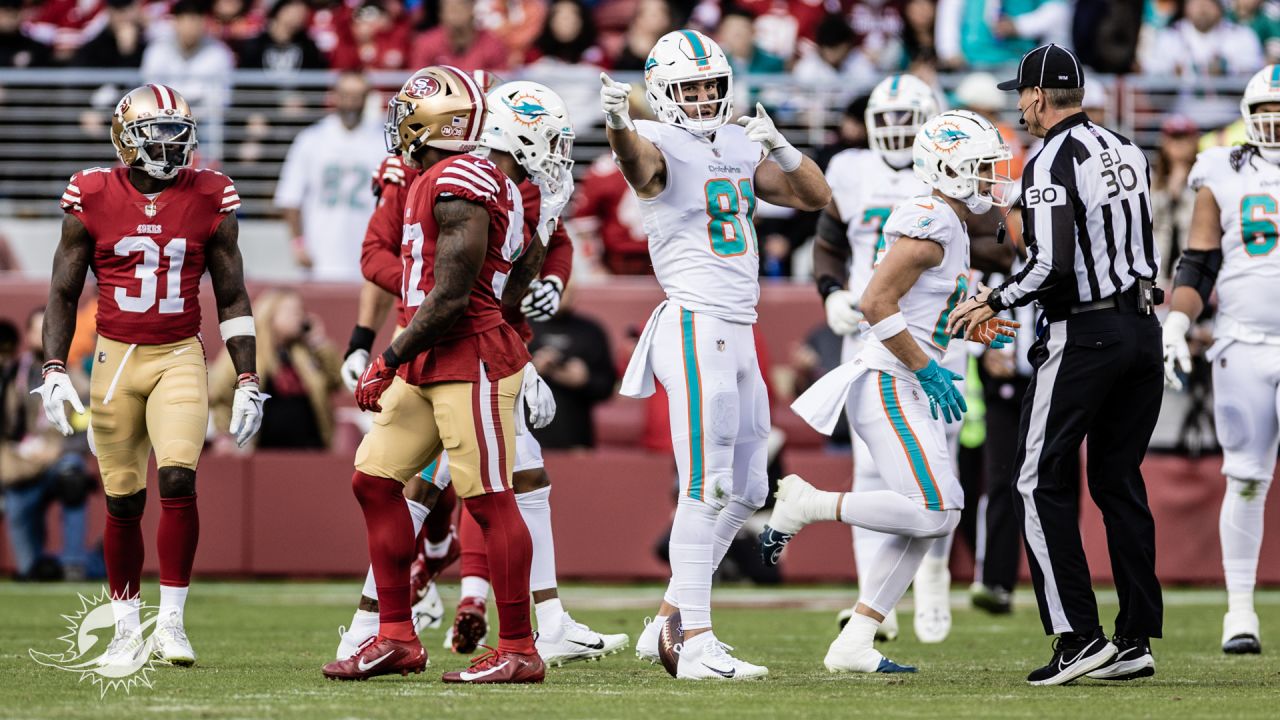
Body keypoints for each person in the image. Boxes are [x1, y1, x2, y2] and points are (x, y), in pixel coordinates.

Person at [320, 67, 570, 684]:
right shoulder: (448, 176)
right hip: (438, 354)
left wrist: (389, 357)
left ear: (438, 121)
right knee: (373, 482)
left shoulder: (461, 178)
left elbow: (454, 296)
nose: (398, 118)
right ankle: (397, 636)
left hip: (469, 356)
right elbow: (509, 277)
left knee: (489, 500)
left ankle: (518, 646)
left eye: (410, 109)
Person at [605, 28, 831, 680]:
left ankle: (667, 619)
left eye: (710, 86)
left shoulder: (734, 138)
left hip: (739, 326)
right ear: (663, 95)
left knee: (752, 485)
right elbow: (638, 165)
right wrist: (620, 123)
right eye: (689, 89)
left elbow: (814, 198)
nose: (703, 98)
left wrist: (783, 147)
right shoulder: (655, 143)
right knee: (709, 485)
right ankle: (695, 640)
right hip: (696, 322)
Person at [764, 110, 1016, 675]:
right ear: (947, 169)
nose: (987, 179)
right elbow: (876, 303)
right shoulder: (933, 221)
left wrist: (964, 322)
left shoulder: (945, 220)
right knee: (937, 508)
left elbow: (922, 303)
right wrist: (926, 367)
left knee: (937, 515)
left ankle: (856, 638)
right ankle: (809, 504)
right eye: (977, 169)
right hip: (889, 382)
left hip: (901, 382)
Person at [947, 43, 1165, 686]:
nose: (1020, 104)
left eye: (1023, 93)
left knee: (1036, 479)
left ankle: (1078, 636)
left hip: (1087, 333)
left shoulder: (1048, 159)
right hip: (1142, 327)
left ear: (1040, 97)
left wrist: (993, 297)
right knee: (1120, 481)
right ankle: (1134, 638)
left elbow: (1052, 266)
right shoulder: (1125, 146)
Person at [35, 84, 263, 668]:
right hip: (114, 360)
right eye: (157, 132)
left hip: (179, 355)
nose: (171, 144)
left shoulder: (211, 193)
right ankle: (125, 630)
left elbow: (233, 295)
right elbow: (63, 292)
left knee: (180, 480)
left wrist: (246, 379)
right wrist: (55, 369)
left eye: (178, 131)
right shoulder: (91, 192)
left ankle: (172, 625)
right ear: (125, 138)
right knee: (122, 500)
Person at [816, 73, 964, 645]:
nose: (898, 132)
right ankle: (875, 599)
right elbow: (828, 240)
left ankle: (932, 577)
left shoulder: (947, 174)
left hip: (939, 339)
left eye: (909, 120)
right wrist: (830, 289)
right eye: (889, 120)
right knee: (873, 468)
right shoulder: (851, 170)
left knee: (939, 468)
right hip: (870, 333)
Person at [1161, 64, 1280, 656]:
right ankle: (1240, 610)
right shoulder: (1223, 171)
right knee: (1247, 477)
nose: (1275, 125)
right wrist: (1178, 320)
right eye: (1267, 114)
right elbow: (1199, 261)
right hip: (1244, 342)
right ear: (1247, 118)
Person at [1, 311, 92, 581]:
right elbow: (6, 427)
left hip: (61, 458)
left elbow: (88, 426)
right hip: (24, 463)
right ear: (27, 336)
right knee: (16, 498)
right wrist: (19, 451)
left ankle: (73, 564)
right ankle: (33, 566)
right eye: (37, 331)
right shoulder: (13, 376)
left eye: (48, 330)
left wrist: (59, 450)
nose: (43, 338)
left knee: (73, 476)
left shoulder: (75, 379)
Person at [274, 72, 384, 280]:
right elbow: (290, 198)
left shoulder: (381, 142)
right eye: (345, 95)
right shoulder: (312, 139)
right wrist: (298, 243)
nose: (351, 102)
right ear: (335, 96)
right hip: (320, 249)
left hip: (365, 250)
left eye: (357, 96)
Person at [209, 289, 343, 450]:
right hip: (262, 450)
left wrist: (319, 343)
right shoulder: (246, 352)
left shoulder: (306, 353)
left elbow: (337, 383)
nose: (299, 317)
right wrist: (223, 433)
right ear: (270, 315)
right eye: (291, 311)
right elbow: (220, 395)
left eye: (300, 311)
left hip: (310, 449)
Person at [140, 0, 235, 165]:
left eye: (196, 17)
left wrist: (189, 117)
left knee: (213, 125)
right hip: (165, 121)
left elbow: (221, 101)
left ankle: (208, 174)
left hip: (202, 122)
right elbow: (150, 96)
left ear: (204, 21)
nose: (190, 24)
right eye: (185, 17)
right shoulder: (157, 51)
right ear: (175, 21)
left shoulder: (219, 53)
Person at [528, 292, 617, 449]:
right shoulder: (521, 328)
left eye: (566, 291)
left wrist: (584, 380)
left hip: (575, 440)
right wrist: (530, 371)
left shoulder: (590, 331)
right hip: (527, 442)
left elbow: (607, 386)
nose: (560, 296)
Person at [1142, 0, 1264, 76]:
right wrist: (1172, 72)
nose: (1202, 8)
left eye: (1209, 2)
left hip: (1230, 110)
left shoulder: (1242, 35)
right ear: (1186, 7)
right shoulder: (1169, 36)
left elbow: (1255, 68)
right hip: (1181, 110)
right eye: (1196, 2)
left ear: (1220, 7)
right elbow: (1152, 70)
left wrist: (1227, 69)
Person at [408, 0, 508, 72]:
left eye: (458, 7)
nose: (453, 13)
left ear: (472, 9)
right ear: (440, 13)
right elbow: (418, 83)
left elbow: (498, 87)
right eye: (448, 8)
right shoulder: (426, 44)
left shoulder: (492, 45)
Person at [237, 0, 326, 72]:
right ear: (279, 10)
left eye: (303, 9)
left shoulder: (309, 47)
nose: (300, 14)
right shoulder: (255, 46)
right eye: (294, 8)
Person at [73, 0, 147, 68]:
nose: (124, 17)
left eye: (128, 9)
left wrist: (129, 51)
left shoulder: (148, 40)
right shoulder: (95, 47)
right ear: (109, 12)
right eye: (118, 10)